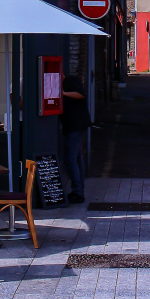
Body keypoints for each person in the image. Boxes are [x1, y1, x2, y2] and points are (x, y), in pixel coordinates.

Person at [62, 73, 90, 202]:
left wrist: (63, 93)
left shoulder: (70, 80)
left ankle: (77, 191)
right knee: (77, 158)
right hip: (74, 126)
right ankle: (79, 190)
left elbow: (81, 94)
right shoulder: (66, 82)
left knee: (70, 158)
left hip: (76, 126)